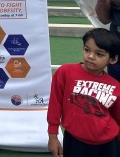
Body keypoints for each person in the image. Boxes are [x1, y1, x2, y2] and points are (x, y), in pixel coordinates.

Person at [47, 28, 120, 157]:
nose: (91, 56)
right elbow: (55, 105)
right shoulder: (65, 72)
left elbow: (117, 116)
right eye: (87, 50)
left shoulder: (115, 85)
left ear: (112, 59)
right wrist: (52, 136)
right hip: (75, 142)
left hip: (109, 143)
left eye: (99, 54)